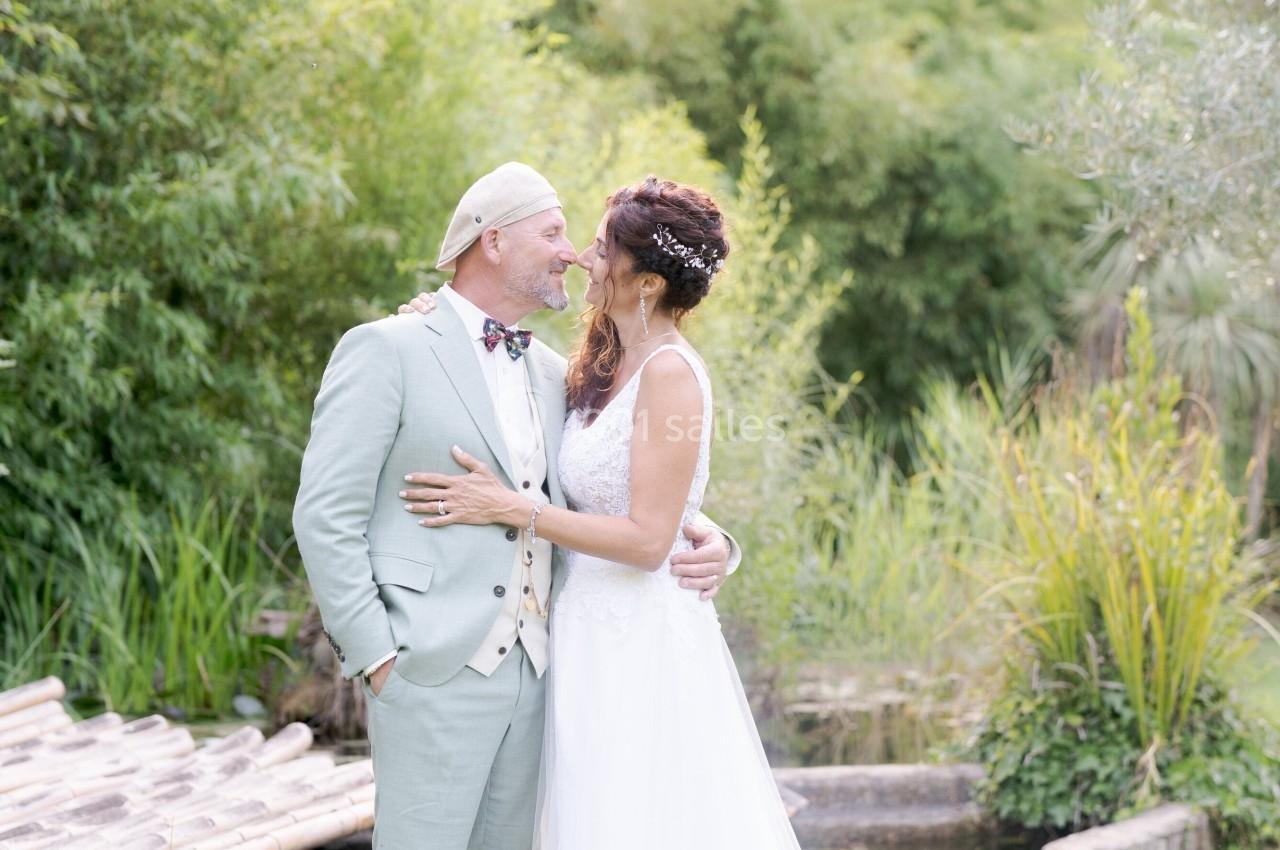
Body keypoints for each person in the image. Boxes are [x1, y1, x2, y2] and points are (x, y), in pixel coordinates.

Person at [292, 162, 738, 850]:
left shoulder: (557, 374)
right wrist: (377, 656)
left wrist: (714, 539)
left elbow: (619, 483)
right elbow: (324, 514)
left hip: (546, 680)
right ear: (493, 242)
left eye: (582, 240)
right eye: (555, 233)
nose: (573, 252)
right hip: (428, 672)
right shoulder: (388, 349)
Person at [399, 176, 801, 849]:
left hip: (638, 639)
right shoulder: (596, 364)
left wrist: (514, 508)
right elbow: (503, 367)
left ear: (646, 283)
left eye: (600, 248)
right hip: (581, 633)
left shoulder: (671, 373)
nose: (583, 258)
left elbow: (648, 540)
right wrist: (437, 326)